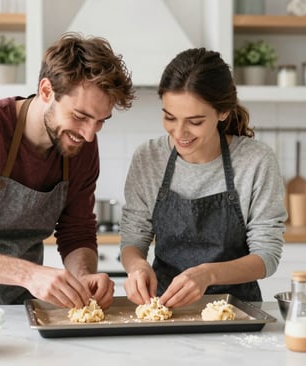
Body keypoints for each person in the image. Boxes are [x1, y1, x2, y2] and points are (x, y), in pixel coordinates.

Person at [0, 32, 134, 308]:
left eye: (100, 121)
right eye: (80, 116)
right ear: (46, 91)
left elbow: (76, 231)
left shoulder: (81, 146)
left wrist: (84, 275)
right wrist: (28, 274)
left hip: (25, 304)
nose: (89, 135)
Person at [120, 47, 287, 308]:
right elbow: (133, 240)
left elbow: (266, 256)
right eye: (169, 117)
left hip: (236, 310)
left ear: (223, 113)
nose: (179, 132)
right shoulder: (148, 158)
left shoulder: (256, 161)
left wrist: (208, 274)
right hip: (165, 308)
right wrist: (137, 266)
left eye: (195, 121)